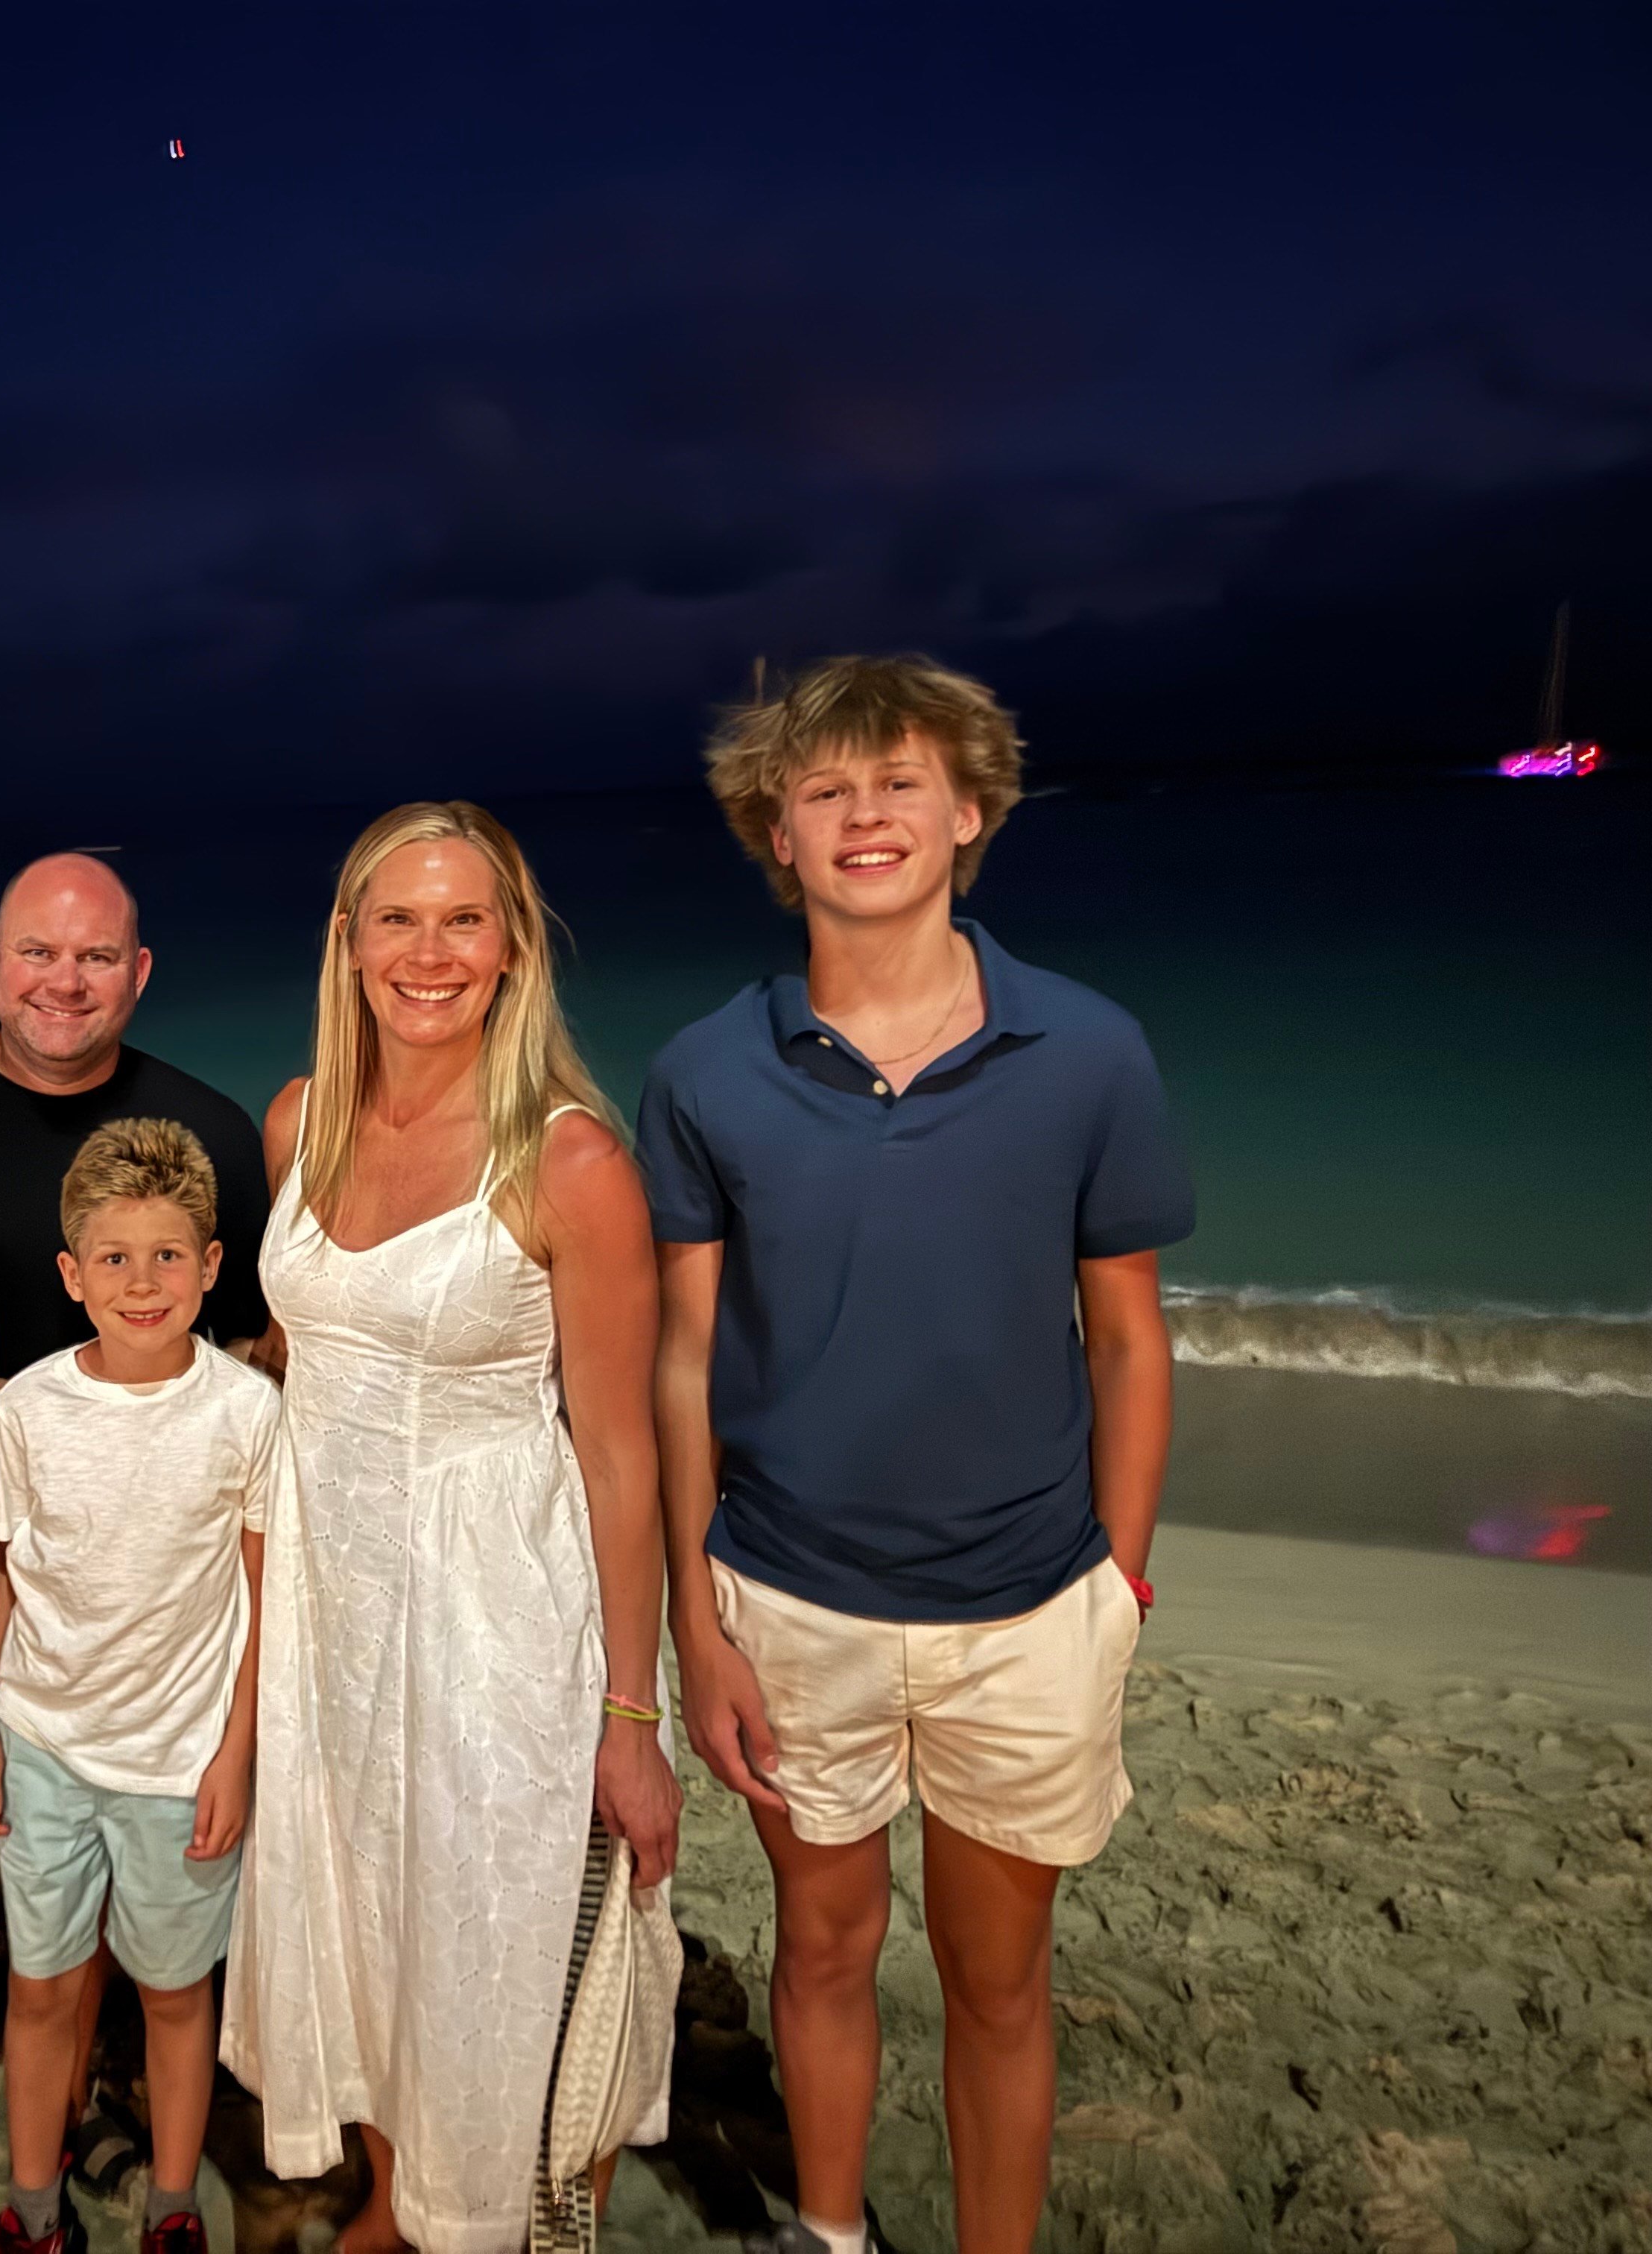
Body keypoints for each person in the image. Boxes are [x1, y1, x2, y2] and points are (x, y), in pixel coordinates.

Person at [639, 657, 1192, 2254]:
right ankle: (830, 2233)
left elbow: (1134, 1340)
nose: (865, 812)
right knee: (821, 1950)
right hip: (789, 1598)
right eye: (826, 789)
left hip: (1028, 1604)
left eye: (901, 781)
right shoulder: (707, 1072)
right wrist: (695, 1613)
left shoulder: (1087, 1053)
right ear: (779, 837)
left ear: (969, 813)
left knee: (999, 1981)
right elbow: (684, 1359)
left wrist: (1121, 1577)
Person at [225, 801, 680, 2254]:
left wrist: (630, 1710)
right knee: (360, 1916)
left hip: (493, 1617)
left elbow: (621, 1453)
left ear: (512, 948)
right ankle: (396, 2195)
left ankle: (479, 2216)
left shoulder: (570, 1164)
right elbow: (305, 1358)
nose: (430, 951)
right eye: (398, 919)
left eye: (463, 919)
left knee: (490, 1933)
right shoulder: (299, 1119)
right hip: (328, 1612)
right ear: (350, 944)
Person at [0, 850, 273, 2206]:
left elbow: (270, 1340)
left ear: (139, 974)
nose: (65, 981)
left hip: (143, 1548)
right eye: (37, 954)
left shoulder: (208, 1136)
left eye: (96, 957)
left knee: (129, 1886)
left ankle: (110, 2092)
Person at [0, 1117, 282, 2254]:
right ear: (71, 1274)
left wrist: (235, 1757)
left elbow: (263, 1603)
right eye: (114, 1257)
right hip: (46, 1745)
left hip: (179, 1765)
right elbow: (4, 1575)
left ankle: (173, 2204)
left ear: (211, 1267)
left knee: (172, 1993)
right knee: (43, 1987)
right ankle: (34, 2204)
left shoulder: (249, 1413)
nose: (141, 1283)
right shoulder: (29, 1409)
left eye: (168, 1257)